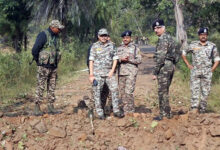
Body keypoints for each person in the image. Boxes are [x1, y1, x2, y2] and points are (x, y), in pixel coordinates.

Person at [182, 27, 220, 113]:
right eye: (202, 34)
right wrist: (188, 64)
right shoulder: (193, 45)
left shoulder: (212, 46)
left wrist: (212, 70)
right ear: (199, 35)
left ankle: (203, 110)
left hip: (207, 72)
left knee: (205, 92)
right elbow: (183, 53)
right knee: (194, 90)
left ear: (207, 35)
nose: (203, 36)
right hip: (195, 71)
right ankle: (194, 108)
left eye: (205, 35)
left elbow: (217, 59)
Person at [89, 28, 124, 119]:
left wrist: (112, 71)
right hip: (97, 74)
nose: (104, 37)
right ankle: (100, 113)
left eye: (105, 35)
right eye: (102, 36)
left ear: (107, 36)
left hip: (109, 73)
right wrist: (91, 75)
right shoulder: (94, 46)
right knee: (97, 93)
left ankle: (116, 111)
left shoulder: (112, 46)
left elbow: (115, 59)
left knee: (115, 90)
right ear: (98, 36)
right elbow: (91, 60)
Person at [32, 20, 64, 116]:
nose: (59, 30)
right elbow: (35, 49)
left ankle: (51, 107)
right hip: (43, 66)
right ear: (52, 27)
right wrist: (38, 61)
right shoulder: (43, 35)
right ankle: (37, 108)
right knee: (40, 87)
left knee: (52, 87)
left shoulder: (56, 37)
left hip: (53, 66)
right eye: (58, 28)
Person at [152, 19, 178, 120]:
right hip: (170, 65)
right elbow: (177, 53)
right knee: (165, 90)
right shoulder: (170, 38)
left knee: (162, 91)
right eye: (154, 28)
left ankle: (164, 114)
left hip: (164, 66)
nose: (156, 30)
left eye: (158, 28)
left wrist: (155, 71)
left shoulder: (163, 39)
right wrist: (174, 64)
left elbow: (161, 57)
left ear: (163, 28)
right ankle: (168, 113)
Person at [117, 30, 142, 114]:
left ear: (130, 38)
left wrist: (129, 60)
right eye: (124, 38)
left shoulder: (135, 48)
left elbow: (139, 60)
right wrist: (121, 59)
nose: (125, 39)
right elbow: (115, 60)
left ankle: (130, 111)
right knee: (122, 92)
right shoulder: (119, 48)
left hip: (131, 73)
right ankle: (124, 109)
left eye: (127, 38)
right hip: (121, 73)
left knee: (129, 92)